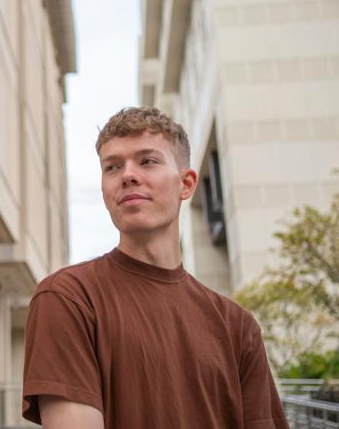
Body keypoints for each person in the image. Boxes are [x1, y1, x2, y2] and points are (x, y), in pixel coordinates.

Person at [22, 107, 288, 428]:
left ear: (186, 184)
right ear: (105, 193)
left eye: (147, 161)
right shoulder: (69, 298)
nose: (128, 175)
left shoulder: (238, 327)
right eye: (112, 167)